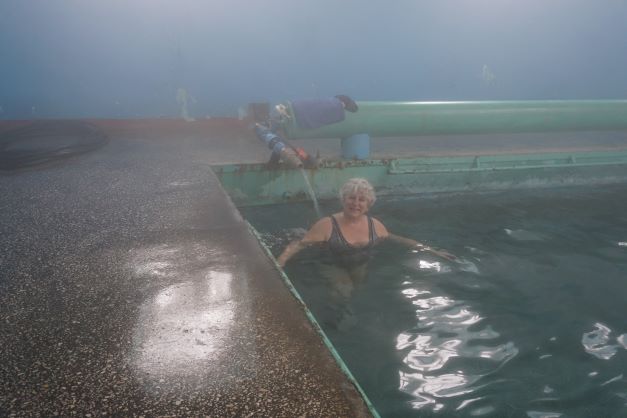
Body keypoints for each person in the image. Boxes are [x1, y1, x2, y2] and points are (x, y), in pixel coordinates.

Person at [277, 178, 455, 302]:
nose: (356, 203)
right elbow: (299, 244)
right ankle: (336, 318)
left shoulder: (374, 225)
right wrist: (280, 262)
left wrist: (430, 250)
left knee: (358, 290)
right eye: (351, 198)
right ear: (343, 200)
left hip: (360, 263)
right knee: (343, 291)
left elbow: (394, 238)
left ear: (369, 204)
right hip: (330, 262)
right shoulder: (327, 225)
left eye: (361, 200)